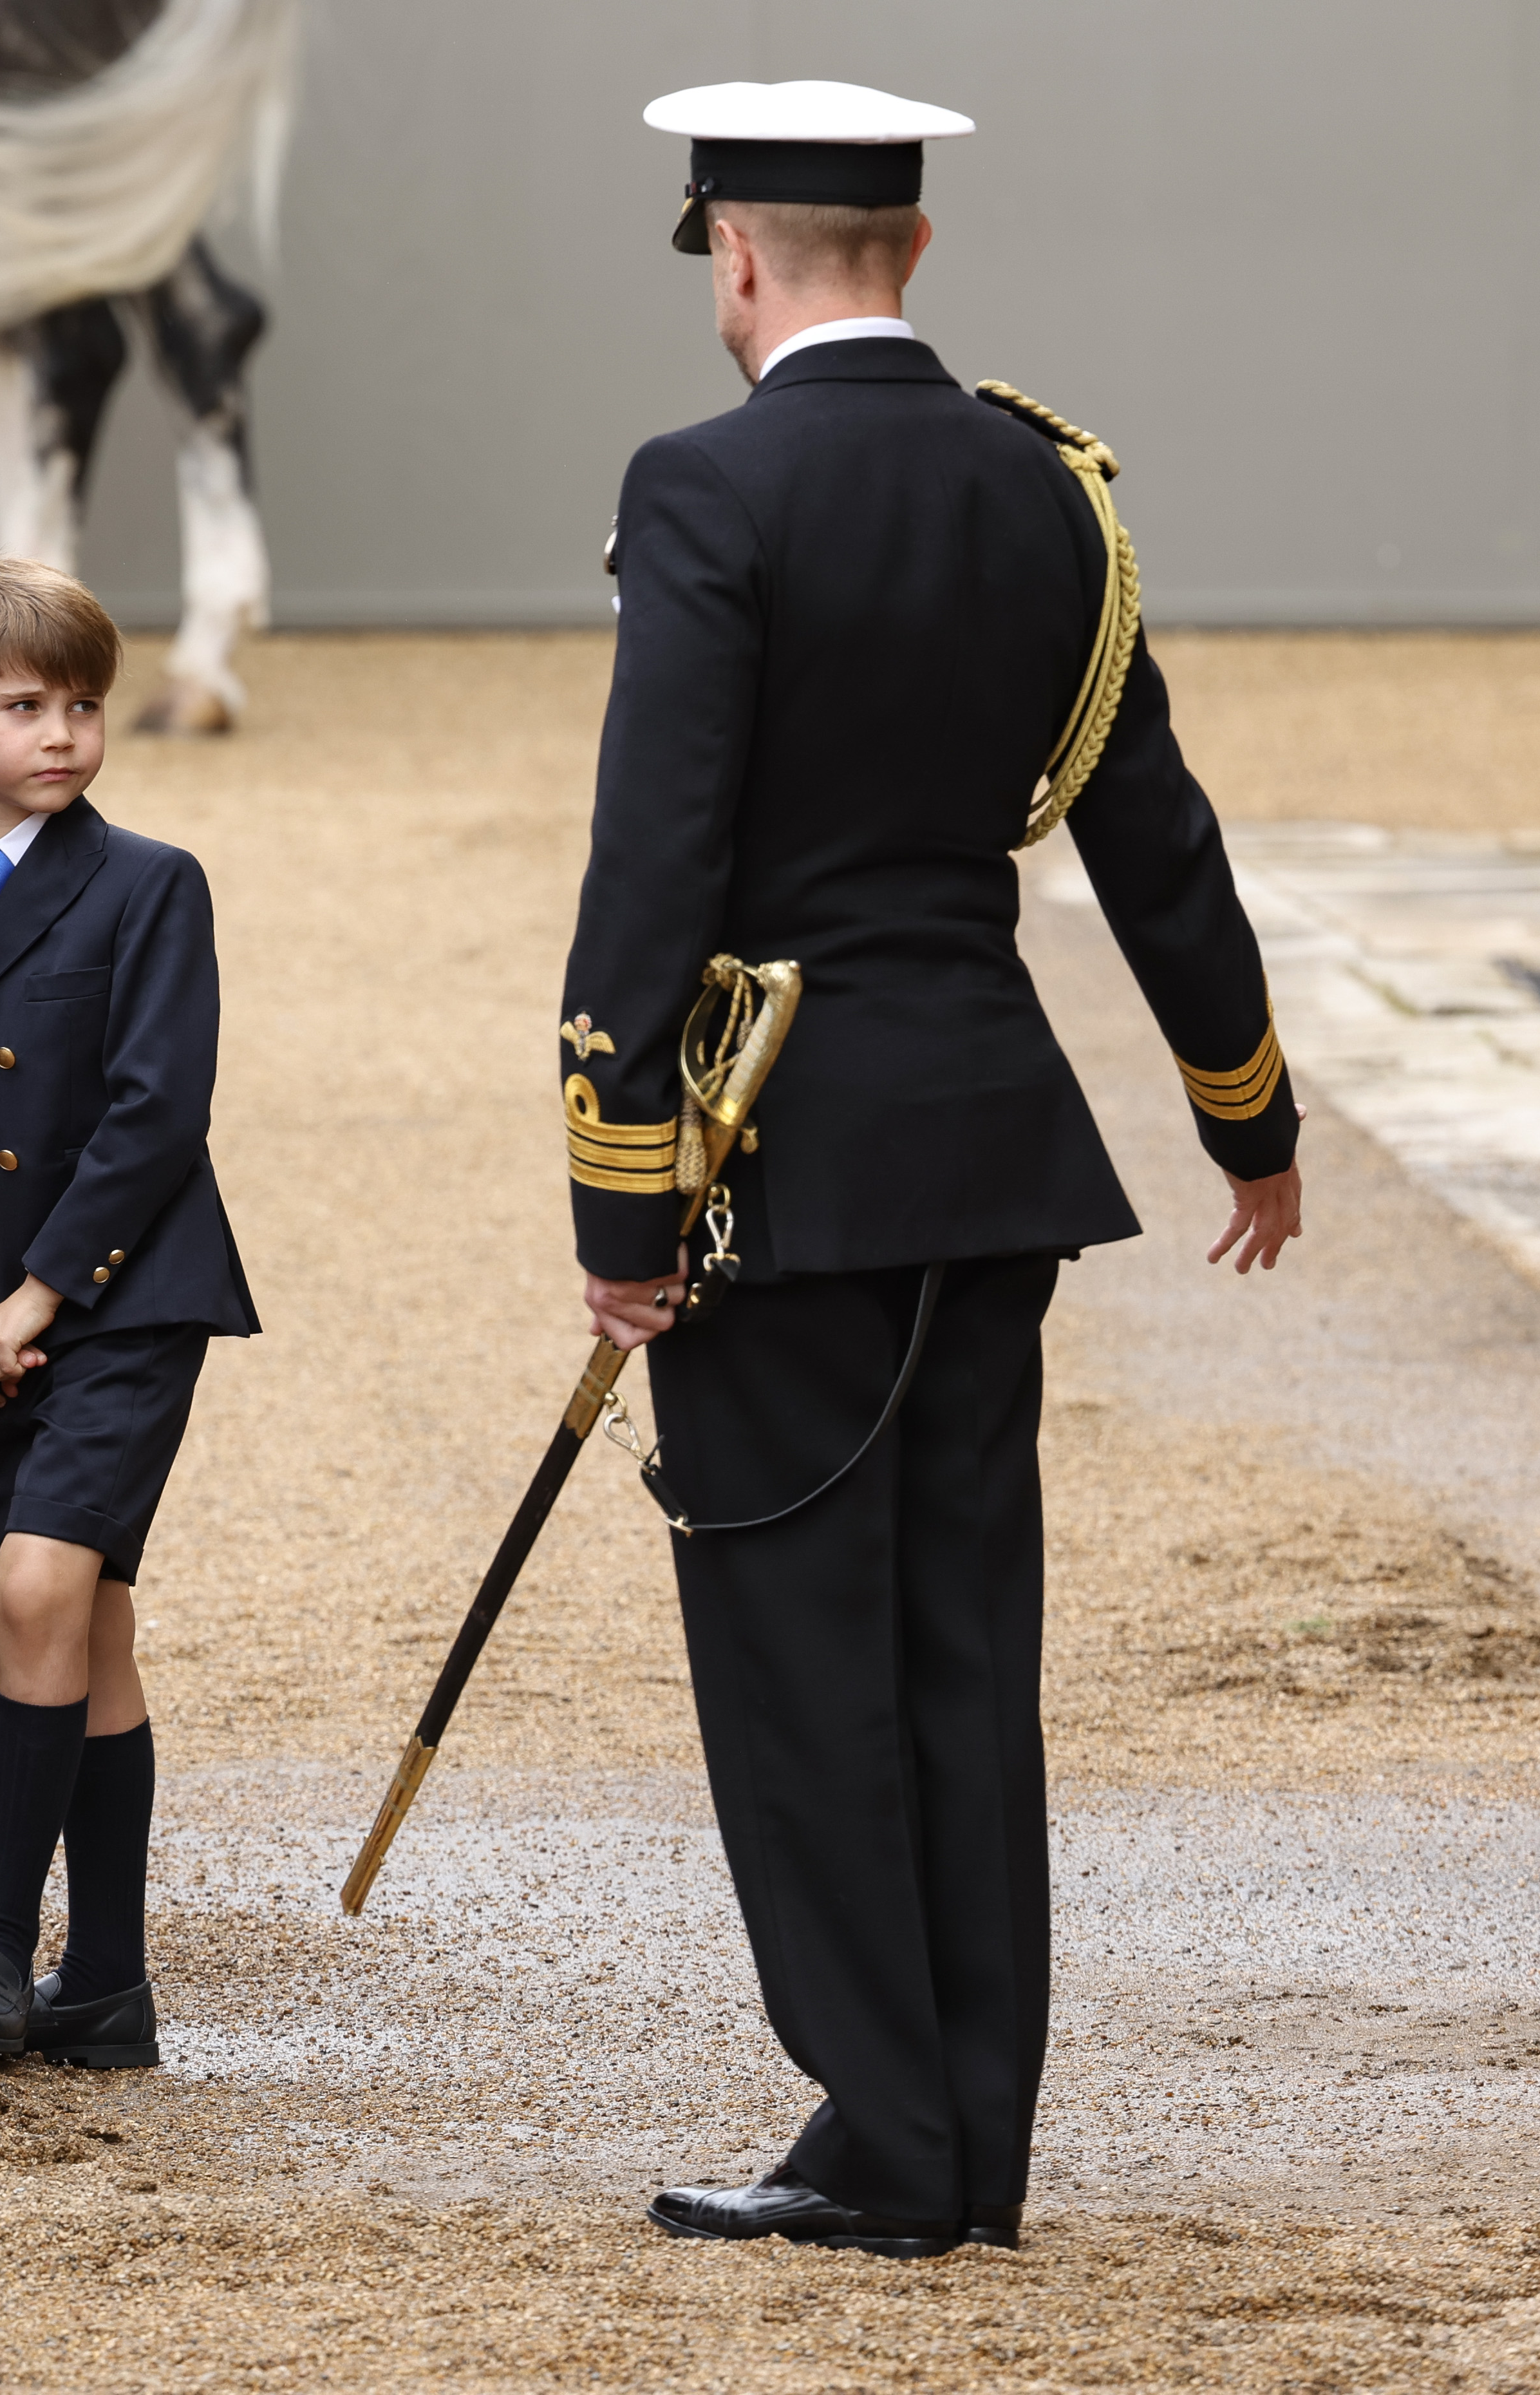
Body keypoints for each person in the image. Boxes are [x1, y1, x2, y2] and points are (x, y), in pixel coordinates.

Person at [567, 81, 1308, 2255]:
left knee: (801, 1662)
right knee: (960, 1657)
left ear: (735, 255)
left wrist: (621, 1202)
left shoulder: (700, 493)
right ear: (907, 252)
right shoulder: (1046, 491)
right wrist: (1240, 1113)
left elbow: (654, 871)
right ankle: (965, 2133)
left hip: (773, 1166)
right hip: (992, 1151)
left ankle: (882, 2139)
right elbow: (1148, 834)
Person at [0, 556, 258, 2067]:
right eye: (25, 706)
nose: (65, 736)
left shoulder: (149, 883)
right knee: (84, 1626)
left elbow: (157, 1115)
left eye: (85, 706)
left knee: (32, 1599)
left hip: (124, 1297)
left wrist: (32, 1299)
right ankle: (109, 1983)